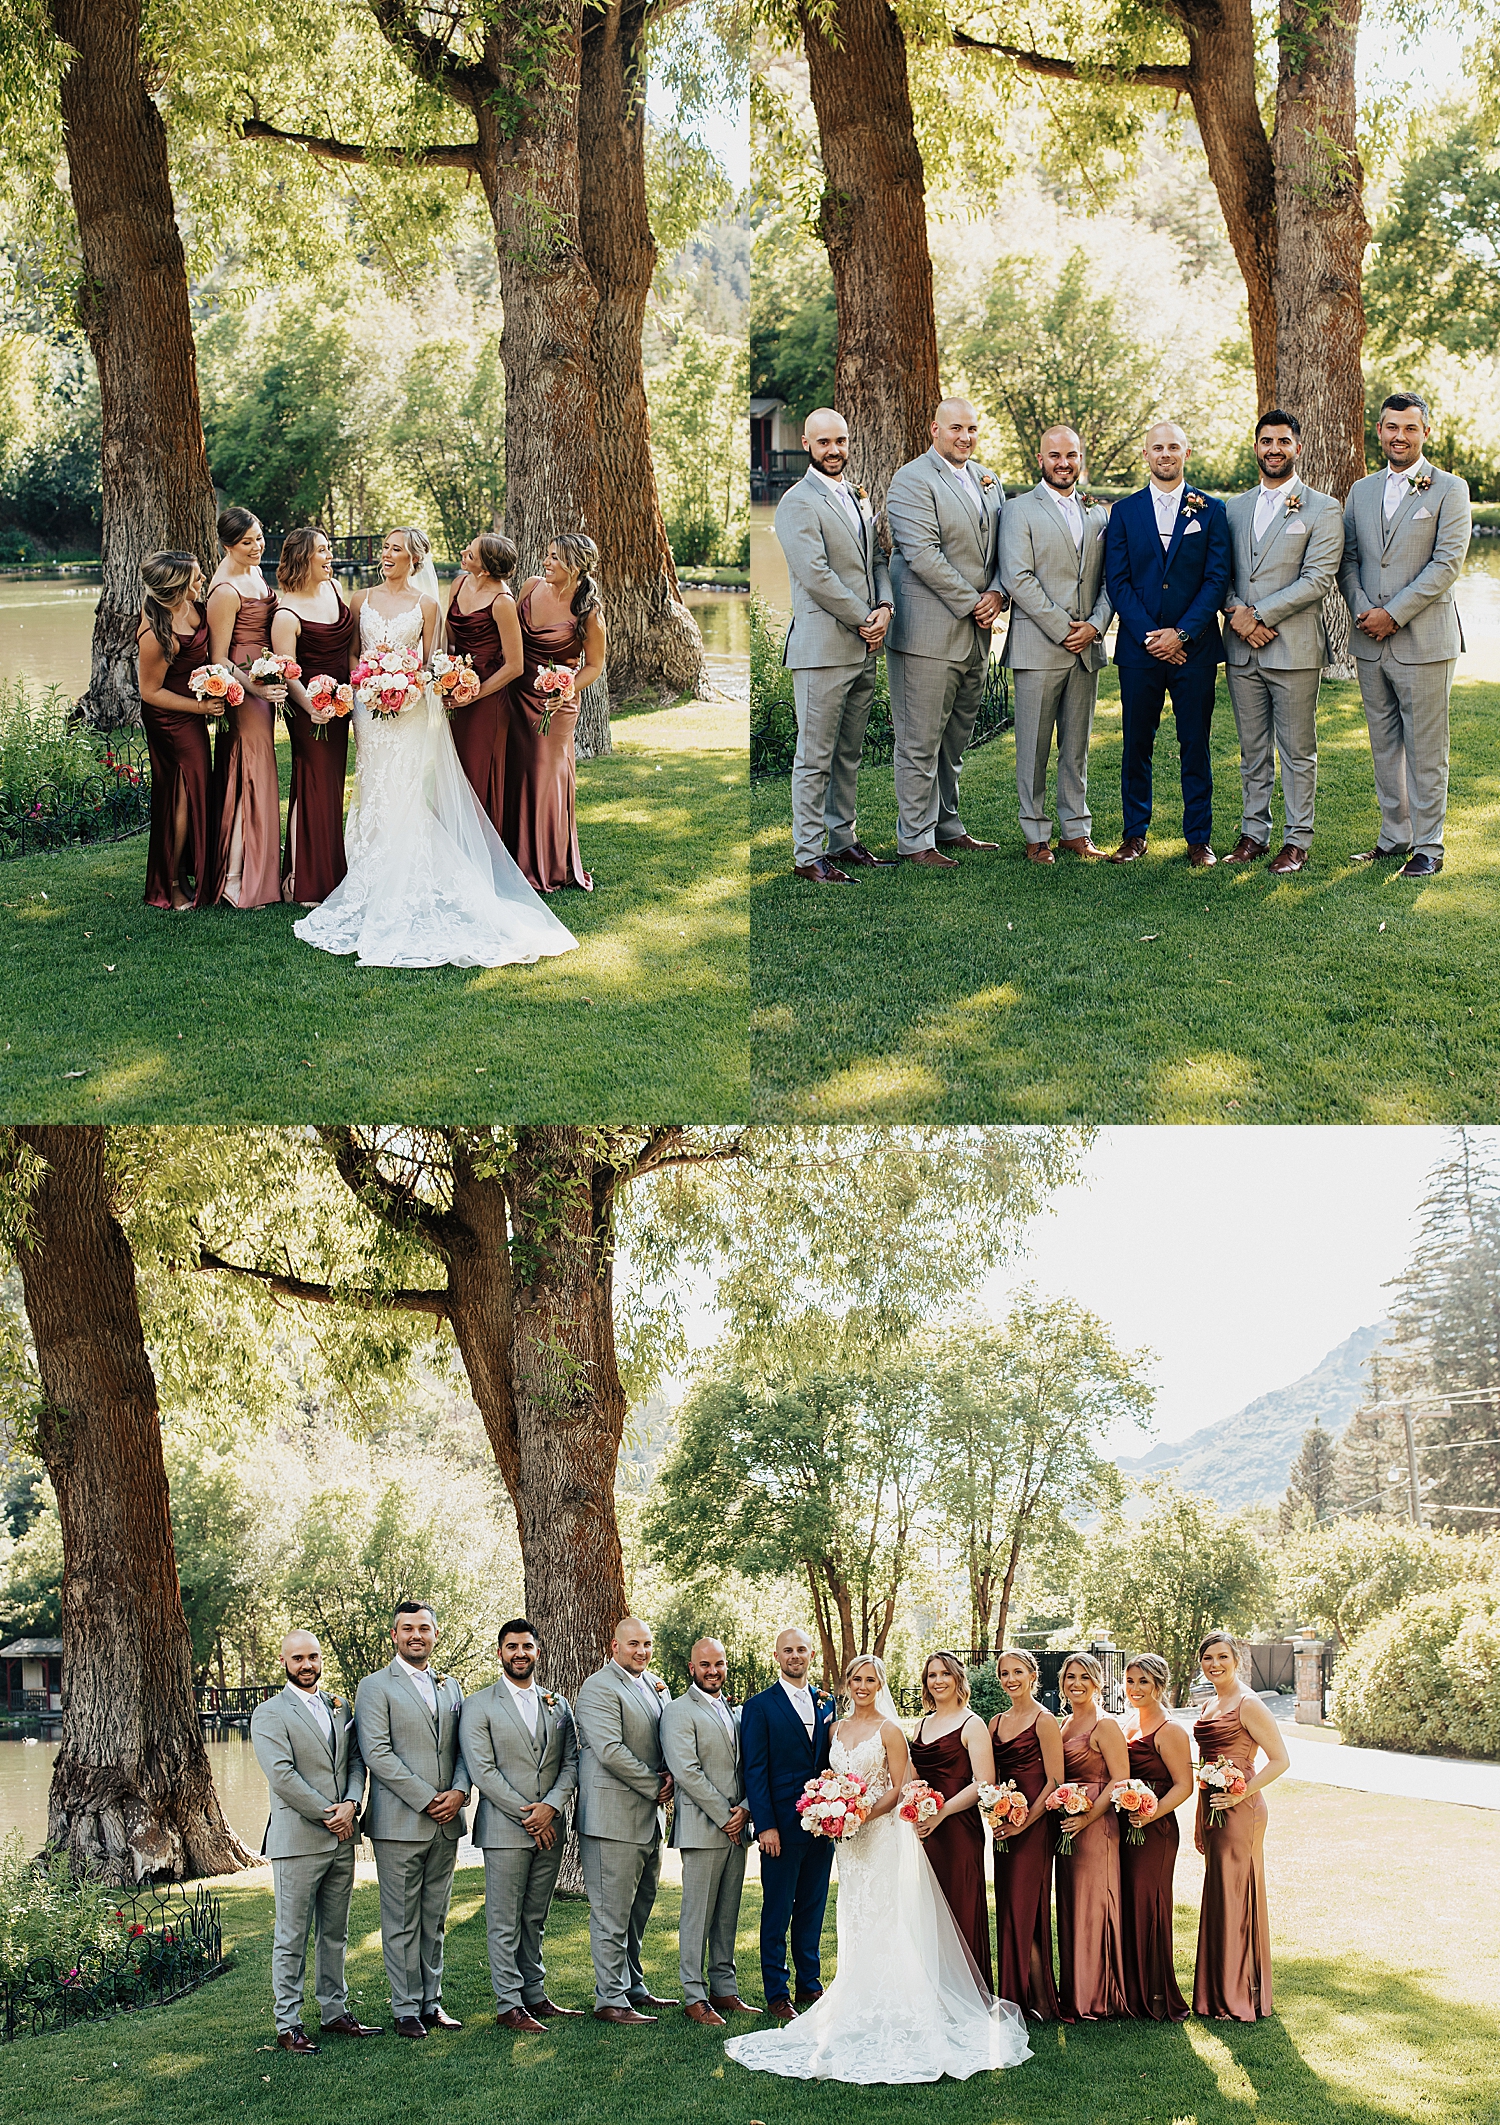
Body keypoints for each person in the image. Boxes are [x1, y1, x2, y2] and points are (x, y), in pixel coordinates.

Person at [723, 1654, 1032, 2084]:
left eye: (870, 1679)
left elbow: (901, 1784)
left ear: (880, 1683)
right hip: (849, 1845)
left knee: (891, 1915)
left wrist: (860, 1814)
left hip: (880, 1833)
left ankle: (902, 2003)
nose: (862, 1685)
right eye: (856, 1678)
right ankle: (857, 1995)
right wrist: (828, 1810)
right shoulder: (834, 1729)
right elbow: (825, 1778)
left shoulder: (891, 1730)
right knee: (857, 1915)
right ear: (847, 1684)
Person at [294, 526, 578, 968]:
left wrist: (406, 685)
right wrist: (366, 680)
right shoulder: (358, 599)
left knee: (405, 787)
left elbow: (430, 662)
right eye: (385, 548)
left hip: (406, 706)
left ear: (414, 560)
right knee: (372, 784)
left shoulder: (428, 605)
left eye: (395, 550)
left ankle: (407, 873)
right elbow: (351, 654)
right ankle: (367, 869)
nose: (386, 554)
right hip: (369, 710)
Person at [1339, 391, 1472, 877]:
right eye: (1392, 427)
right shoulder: (1361, 490)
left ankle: (1429, 847)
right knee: (1384, 743)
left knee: (1426, 748)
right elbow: (1347, 558)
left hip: (1424, 640)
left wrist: (1393, 614)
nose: (1400, 436)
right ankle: (1395, 836)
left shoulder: (1449, 488)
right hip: (1369, 642)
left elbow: (1446, 564)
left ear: (1425, 433)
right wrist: (1362, 609)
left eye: (1410, 428)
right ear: (1380, 431)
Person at [773, 407, 896, 882]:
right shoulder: (797, 502)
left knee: (849, 753)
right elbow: (816, 576)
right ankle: (808, 855)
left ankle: (843, 840)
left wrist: (884, 608)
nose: (834, 450)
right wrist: (864, 617)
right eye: (824, 442)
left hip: (864, 645)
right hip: (823, 648)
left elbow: (879, 560)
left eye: (841, 441)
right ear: (807, 444)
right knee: (814, 756)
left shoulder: (859, 497)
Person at [1220, 411, 1345, 874]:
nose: (1275, 448)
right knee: (1252, 748)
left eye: (1284, 441)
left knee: (1297, 749)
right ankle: (1253, 832)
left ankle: (1297, 840)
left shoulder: (1323, 508)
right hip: (1240, 646)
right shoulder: (1232, 508)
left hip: (1293, 647)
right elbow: (1222, 574)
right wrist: (1238, 614)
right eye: (1267, 441)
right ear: (1256, 447)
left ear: (1298, 447)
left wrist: (1262, 615)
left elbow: (1318, 579)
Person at [1103, 421, 1232, 865]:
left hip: (1193, 649)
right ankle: (1134, 834)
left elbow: (1217, 579)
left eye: (1173, 447)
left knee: (1195, 742)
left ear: (1186, 453)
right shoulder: (1124, 511)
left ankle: (1199, 838)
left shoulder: (1211, 510)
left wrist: (1181, 633)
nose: (1165, 454)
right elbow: (1117, 582)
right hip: (1140, 651)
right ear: (1145, 454)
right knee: (1137, 743)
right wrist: (1149, 636)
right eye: (1157, 447)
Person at [884, 398, 1006, 866]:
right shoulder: (911, 479)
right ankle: (915, 840)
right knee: (919, 741)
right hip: (927, 633)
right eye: (956, 428)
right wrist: (974, 602)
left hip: (977, 632)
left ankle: (947, 824)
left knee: (955, 739)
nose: (965, 437)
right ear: (934, 428)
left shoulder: (988, 480)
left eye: (972, 428)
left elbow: (1003, 550)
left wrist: (998, 594)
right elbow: (922, 554)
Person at [249, 1630, 380, 2055]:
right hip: (299, 1839)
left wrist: (351, 1805)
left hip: (343, 1837)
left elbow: (358, 1760)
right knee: (292, 1935)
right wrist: (331, 1814)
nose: (307, 1665)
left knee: (335, 1933)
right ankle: (288, 2023)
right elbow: (283, 1776)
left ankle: (335, 2012)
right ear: (285, 1662)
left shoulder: (340, 1705)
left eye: (313, 1657)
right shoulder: (269, 1714)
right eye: (298, 1658)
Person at [354, 1600, 472, 2041]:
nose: (416, 1635)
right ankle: (405, 2007)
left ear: (435, 1634)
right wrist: (427, 1799)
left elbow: (464, 1748)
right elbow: (377, 1754)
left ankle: (431, 2001)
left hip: (447, 1822)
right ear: (395, 1635)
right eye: (407, 1629)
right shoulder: (374, 1687)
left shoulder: (451, 1686)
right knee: (401, 1918)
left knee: (434, 1917)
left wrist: (460, 1792)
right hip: (399, 1824)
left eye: (424, 1628)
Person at [458, 1617, 582, 2032]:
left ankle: (535, 1994)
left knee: (535, 1915)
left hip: (552, 1826)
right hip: (505, 1829)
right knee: (505, 1918)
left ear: (537, 1652)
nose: (520, 1654)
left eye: (527, 1646)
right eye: (512, 1647)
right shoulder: (479, 1704)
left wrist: (550, 1807)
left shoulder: (557, 1703)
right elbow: (483, 1771)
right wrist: (530, 1815)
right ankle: (508, 2003)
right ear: (500, 1653)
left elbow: (571, 1762)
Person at [999, 425, 1113, 863]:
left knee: (1077, 746)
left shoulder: (1098, 514)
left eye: (1071, 455)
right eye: (1054, 455)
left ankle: (1075, 830)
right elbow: (1017, 577)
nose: (1063, 463)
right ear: (1040, 458)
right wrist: (1064, 627)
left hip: (1087, 647)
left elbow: (1108, 580)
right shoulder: (1019, 510)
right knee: (1033, 746)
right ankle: (1035, 833)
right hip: (1039, 646)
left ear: (1081, 458)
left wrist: (1097, 625)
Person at [573, 1616, 677, 2025]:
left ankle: (632, 1986)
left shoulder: (653, 1686)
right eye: (633, 1644)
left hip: (648, 1820)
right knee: (611, 1913)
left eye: (648, 1644)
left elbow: (664, 1737)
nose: (642, 1651)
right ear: (613, 1646)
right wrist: (656, 1785)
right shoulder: (599, 1687)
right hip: (612, 1819)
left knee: (637, 1911)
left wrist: (670, 1774)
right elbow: (611, 1750)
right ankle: (610, 2000)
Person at [739, 1626, 837, 2020]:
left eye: (801, 1649)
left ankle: (810, 1983)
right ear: (777, 1657)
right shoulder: (760, 1706)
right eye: (787, 1650)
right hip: (780, 1826)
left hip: (824, 1826)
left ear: (810, 1654)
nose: (795, 1655)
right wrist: (765, 1826)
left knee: (812, 1908)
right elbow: (755, 1769)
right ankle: (777, 1992)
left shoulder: (827, 1702)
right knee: (777, 1912)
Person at [1192, 1629, 1289, 2021]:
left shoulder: (1248, 1704)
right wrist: (1201, 1820)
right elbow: (1203, 1766)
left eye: (1221, 1657)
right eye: (1207, 1658)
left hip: (1241, 1811)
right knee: (1219, 1895)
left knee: (1236, 1896)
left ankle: (1238, 1995)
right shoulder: (1209, 1704)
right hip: (1214, 1809)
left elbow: (1280, 1760)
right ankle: (1216, 1991)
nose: (1214, 1664)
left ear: (1236, 1661)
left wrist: (1239, 1794)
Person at [504, 532, 607, 892]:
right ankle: (510, 859)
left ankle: (545, 865)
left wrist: (566, 689)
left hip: (556, 705)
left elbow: (593, 665)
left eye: (554, 558)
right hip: (516, 695)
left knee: (544, 776)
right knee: (514, 772)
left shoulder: (588, 612)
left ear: (574, 566)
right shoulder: (530, 587)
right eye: (547, 555)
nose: (545, 562)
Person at [660, 1637, 755, 2026]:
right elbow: (686, 1771)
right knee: (697, 1915)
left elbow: (748, 1766)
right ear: (691, 1668)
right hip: (703, 1828)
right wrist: (726, 1815)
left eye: (719, 1664)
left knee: (727, 1913)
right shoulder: (679, 1712)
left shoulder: (734, 1712)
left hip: (737, 1828)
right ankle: (694, 1994)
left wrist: (746, 1810)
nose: (713, 1671)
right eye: (705, 1665)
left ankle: (724, 1988)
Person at [271, 526, 355, 906]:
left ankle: (331, 871)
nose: (330, 557)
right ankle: (305, 880)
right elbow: (288, 671)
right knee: (313, 783)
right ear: (304, 558)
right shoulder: (286, 614)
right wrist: (312, 708)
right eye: (322, 550)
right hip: (309, 711)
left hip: (340, 705)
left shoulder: (335, 591)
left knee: (332, 785)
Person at [207, 505, 284, 909]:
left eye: (259, 539)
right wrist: (255, 687)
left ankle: (260, 864)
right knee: (248, 772)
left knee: (261, 769)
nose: (257, 548)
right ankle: (236, 877)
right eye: (247, 543)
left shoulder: (253, 573)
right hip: (244, 687)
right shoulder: (223, 591)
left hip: (265, 679)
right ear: (227, 545)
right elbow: (218, 656)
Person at [906, 1650, 995, 1988]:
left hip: (958, 1829)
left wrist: (941, 1812)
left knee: (961, 1905)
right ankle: (936, 1989)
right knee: (930, 1910)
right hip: (926, 1830)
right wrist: (914, 1808)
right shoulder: (922, 1725)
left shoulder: (973, 1724)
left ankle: (969, 1990)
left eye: (945, 1673)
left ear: (958, 1678)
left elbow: (983, 1783)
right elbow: (914, 1777)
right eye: (932, 1675)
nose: (938, 1680)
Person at [135, 550, 216, 911]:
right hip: (169, 719)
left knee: (197, 787)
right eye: (196, 577)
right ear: (177, 586)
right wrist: (201, 706)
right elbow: (150, 692)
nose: (202, 580)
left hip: (195, 712)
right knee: (181, 794)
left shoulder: (194, 608)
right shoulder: (155, 631)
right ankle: (168, 883)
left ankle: (196, 871)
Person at [1052, 1651, 1128, 2021]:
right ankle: (1075, 1991)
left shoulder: (1105, 1725)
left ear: (1097, 1683)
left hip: (1097, 1825)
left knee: (1094, 1904)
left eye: (1084, 1677)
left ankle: (1099, 1996)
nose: (1076, 1683)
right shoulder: (1063, 1724)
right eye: (1070, 1677)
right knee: (1071, 1905)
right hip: (1068, 1824)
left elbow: (1120, 1780)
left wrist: (1086, 1819)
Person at [988, 1648, 1063, 2020]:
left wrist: (1024, 1821)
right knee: (1010, 1908)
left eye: (1018, 1671)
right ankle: (1030, 1999)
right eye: (1004, 1673)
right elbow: (988, 1778)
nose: (1010, 1679)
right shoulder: (995, 1722)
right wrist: (996, 1810)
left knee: (1025, 1906)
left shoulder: (1045, 1720)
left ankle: (1032, 2000)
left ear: (1033, 1675)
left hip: (1033, 1826)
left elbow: (1054, 1781)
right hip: (1004, 1826)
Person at [1117, 1653, 1193, 2021]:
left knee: (1151, 1905)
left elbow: (1184, 1785)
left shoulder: (1171, 1730)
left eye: (1143, 1682)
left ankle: (1157, 1995)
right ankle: (1129, 1990)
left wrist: (1150, 1814)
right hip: (1125, 1827)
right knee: (1129, 1904)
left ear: (1159, 1686)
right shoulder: (1128, 1723)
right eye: (1130, 1681)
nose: (1134, 1688)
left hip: (1156, 1831)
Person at [443, 530, 525, 835]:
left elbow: (515, 666)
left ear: (487, 568)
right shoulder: (458, 583)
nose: (464, 552)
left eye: (471, 553)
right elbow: (449, 639)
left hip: (487, 699)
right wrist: (443, 673)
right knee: (452, 773)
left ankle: (481, 854)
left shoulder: (503, 602)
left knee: (477, 774)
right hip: (454, 688)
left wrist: (473, 695)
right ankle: (451, 848)